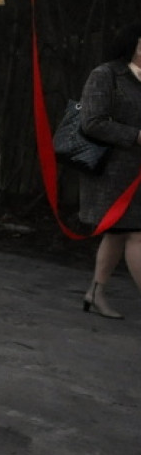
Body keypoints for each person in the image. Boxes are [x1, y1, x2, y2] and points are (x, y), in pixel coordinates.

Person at [78, 22, 141, 319]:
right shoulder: (106, 75)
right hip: (113, 173)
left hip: (137, 175)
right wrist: (136, 136)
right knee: (136, 233)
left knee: (118, 234)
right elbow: (92, 122)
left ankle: (95, 292)